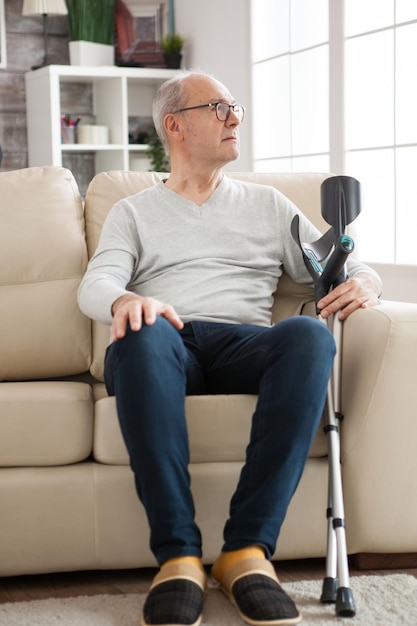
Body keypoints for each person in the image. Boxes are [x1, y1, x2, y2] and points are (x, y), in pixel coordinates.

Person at [78, 70, 381, 626]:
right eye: (218, 108)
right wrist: (125, 303)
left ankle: (246, 552)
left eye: (235, 107)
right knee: (143, 335)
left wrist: (365, 282)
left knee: (310, 334)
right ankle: (178, 558)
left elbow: (338, 260)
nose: (235, 118)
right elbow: (95, 284)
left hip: (246, 342)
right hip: (165, 342)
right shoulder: (133, 212)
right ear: (175, 126)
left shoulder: (268, 205)